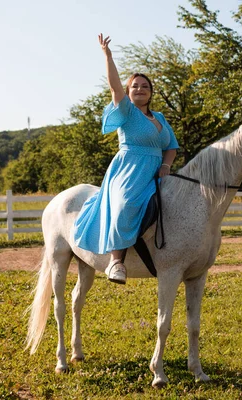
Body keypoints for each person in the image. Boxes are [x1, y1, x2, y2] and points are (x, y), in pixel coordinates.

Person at [73, 33, 179, 285]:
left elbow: (171, 146)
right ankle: (116, 262)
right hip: (129, 170)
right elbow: (114, 86)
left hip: (156, 171)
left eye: (145, 86)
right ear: (129, 92)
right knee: (125, 205)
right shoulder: (127, 111)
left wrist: (166, 166)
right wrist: (108, 56)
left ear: (151, 92)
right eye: (135, 86)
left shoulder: (160, 118)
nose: (140, 89)